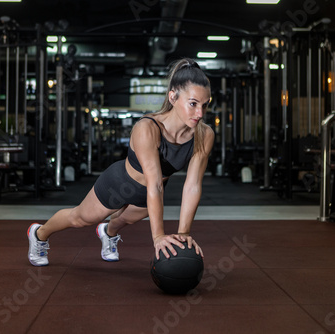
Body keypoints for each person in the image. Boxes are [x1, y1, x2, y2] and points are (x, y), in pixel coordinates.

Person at [27, 58, 214, 266]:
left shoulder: (204, 135)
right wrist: (158, 237)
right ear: (173, 97)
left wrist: (183, 233)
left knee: (124, 219)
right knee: (80, 218)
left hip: (148, 194)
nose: (200, 113)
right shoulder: (148, 128)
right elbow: (155, 182)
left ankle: (107, 233)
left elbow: (193, 185)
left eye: (205, 105)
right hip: (119, 184)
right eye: (193, 104)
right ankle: (39, 234)